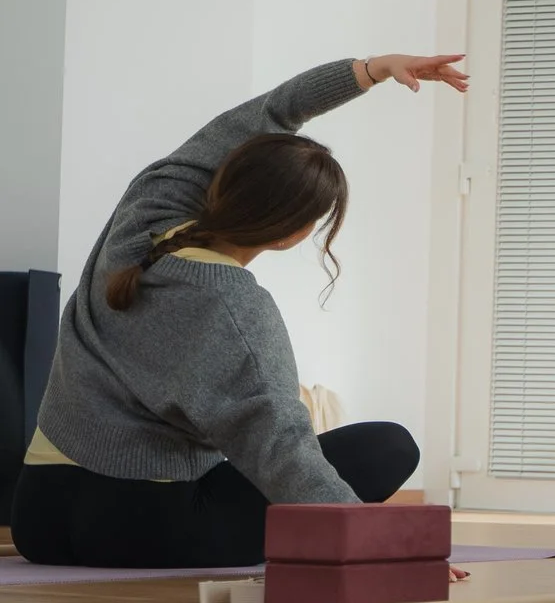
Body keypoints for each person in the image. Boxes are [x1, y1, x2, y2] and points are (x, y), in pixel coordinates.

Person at [11, 55, 465, 567]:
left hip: (37, 517)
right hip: (146, 530)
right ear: (287, 236)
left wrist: (372, 68)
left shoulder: (145, 210)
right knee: (389, 446)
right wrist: (382, 549)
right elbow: (283, 449)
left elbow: (271, 111)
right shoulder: (236, 307)